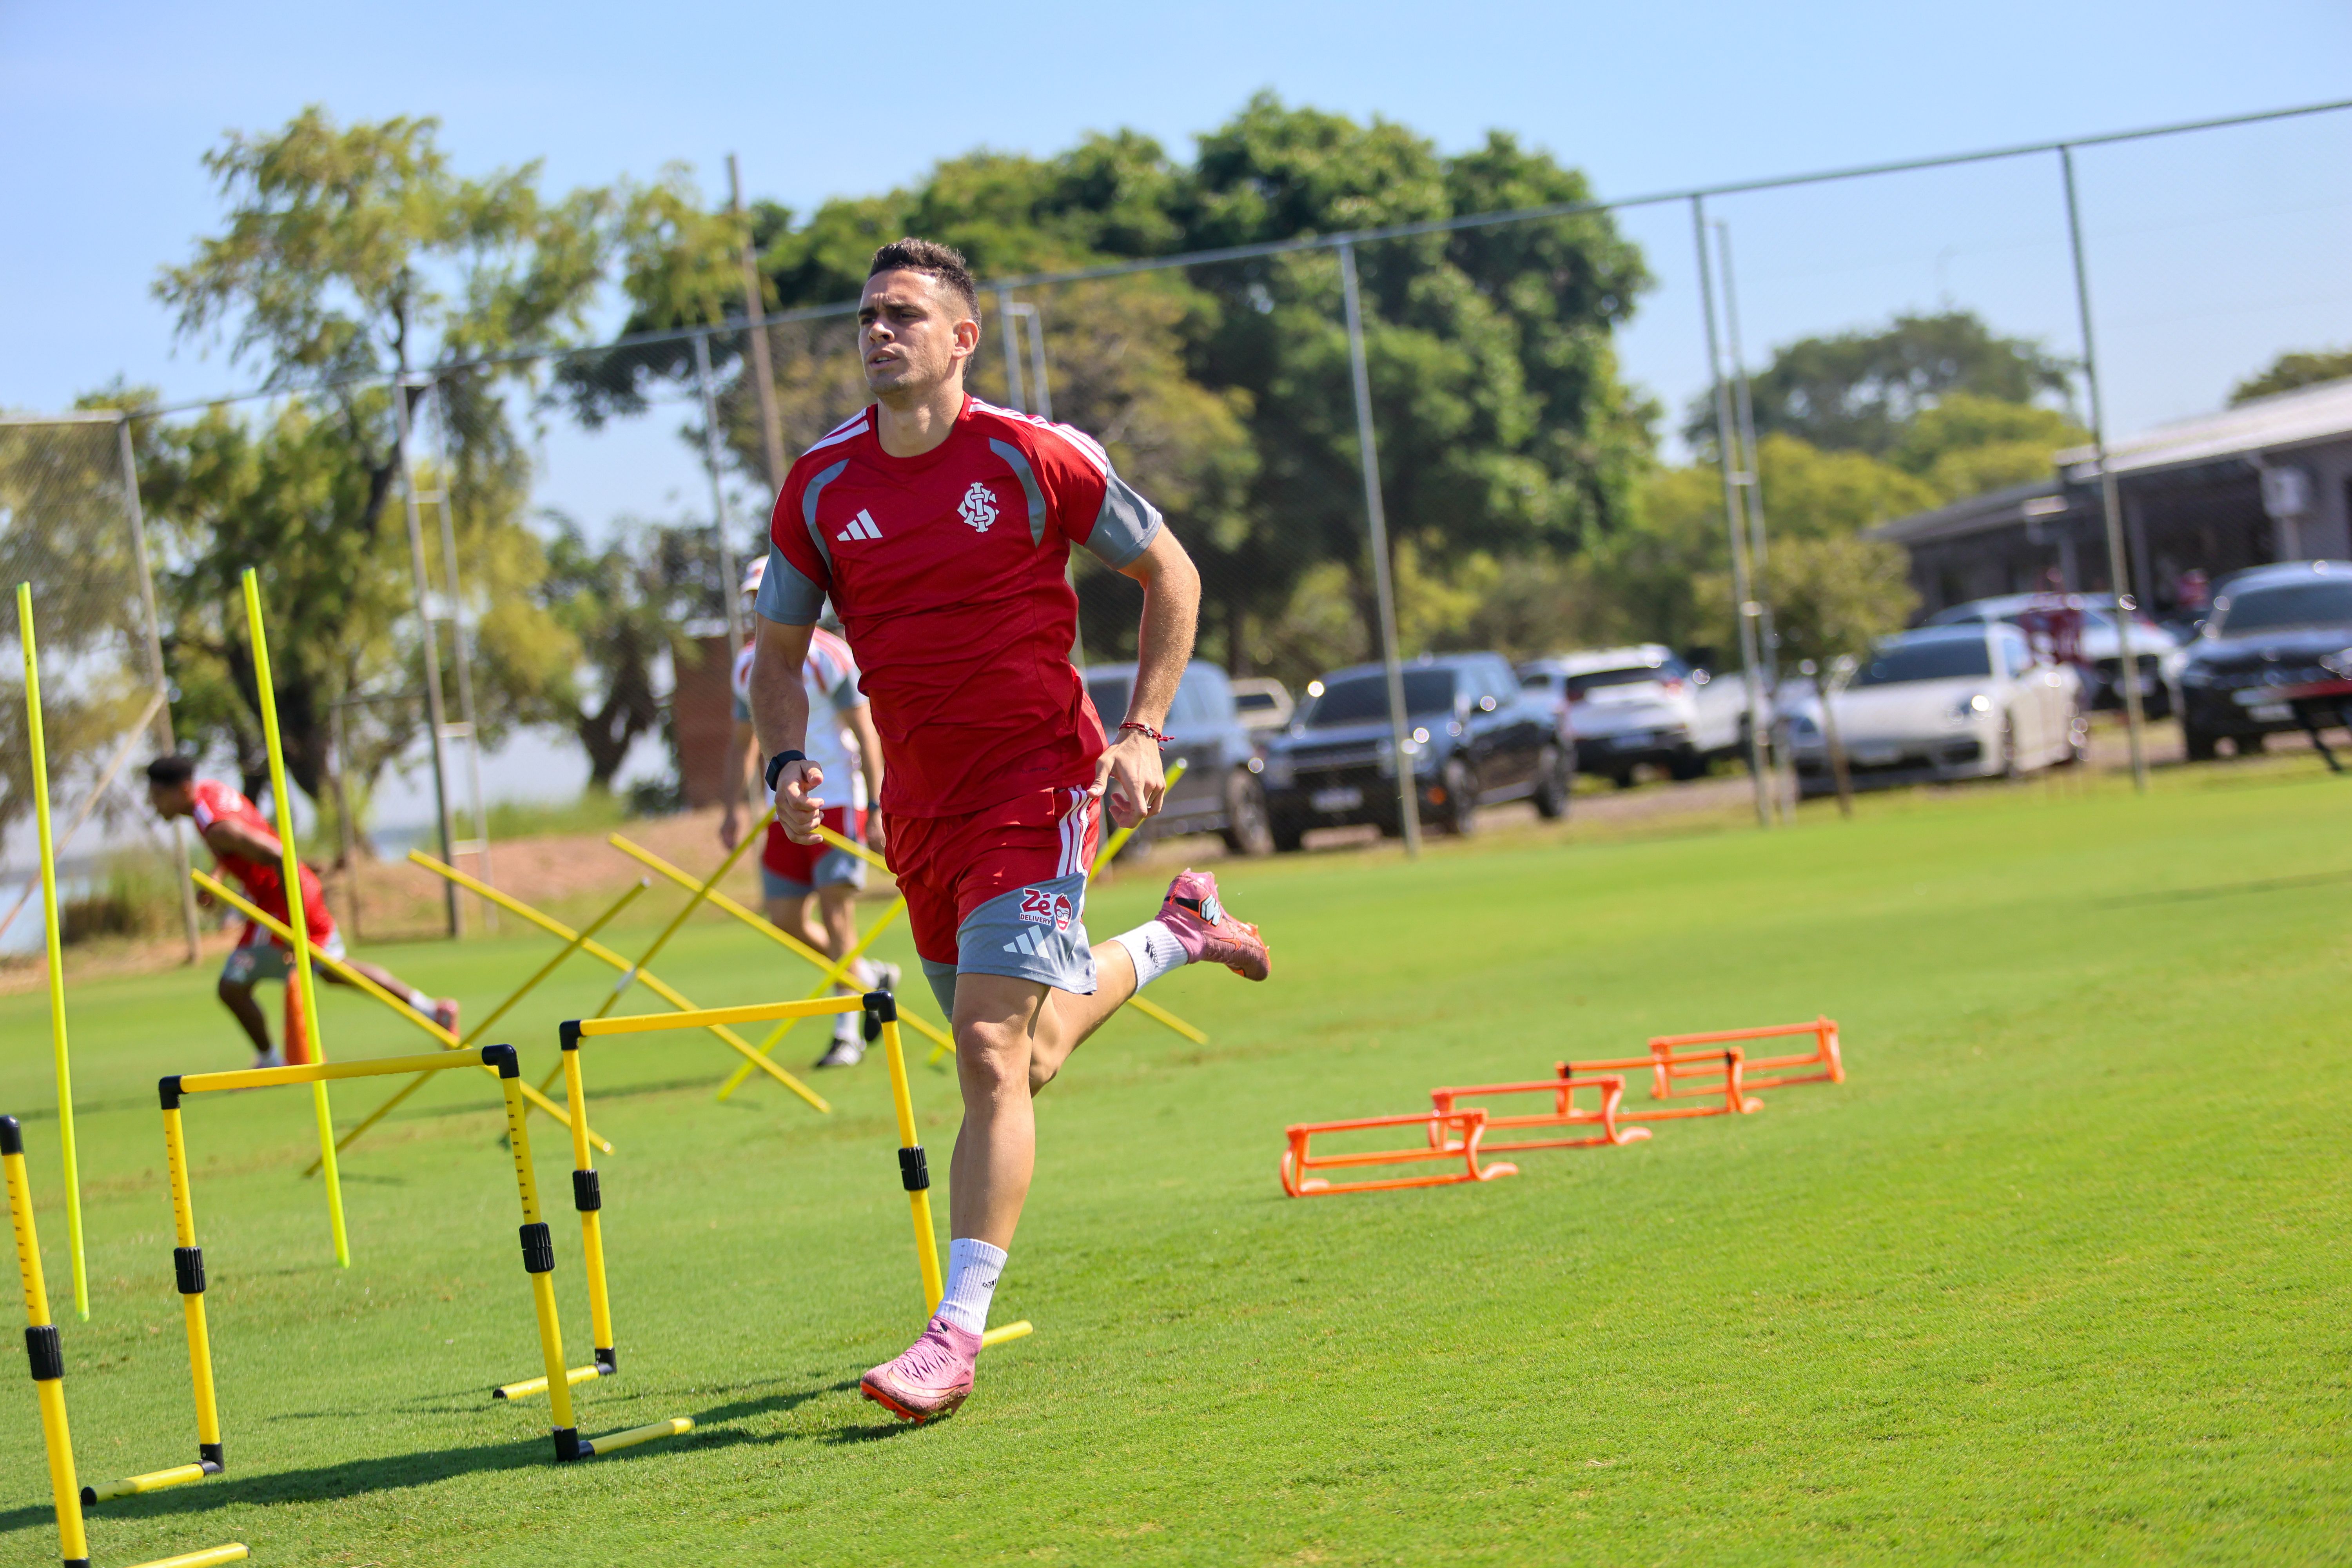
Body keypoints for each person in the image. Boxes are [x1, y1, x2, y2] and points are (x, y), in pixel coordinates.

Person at [749, 238, 1272, 1424]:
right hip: (918, 813)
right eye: (867, 316)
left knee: (986, 1050)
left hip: (1038, 784)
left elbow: (1171, 575)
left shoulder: (1035, 456)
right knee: (1025, 1058)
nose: (879, 332)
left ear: (960, 338)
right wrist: (787, 759)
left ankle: (952, 1335)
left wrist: (1139, 730)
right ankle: (1178, 932)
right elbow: (778, 657)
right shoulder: (819, 484)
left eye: (903, 315)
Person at [144, 754, 458, 1066]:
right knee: (335, 971)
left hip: (284, 902)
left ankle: (270, 1060)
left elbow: (276, 854)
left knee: (231, 987)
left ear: (184, 790)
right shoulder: (210, 794)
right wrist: (218, 875)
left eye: (158, 796)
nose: (155, 805)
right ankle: (431, 1010)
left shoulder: (216, 827)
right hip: (297, 893)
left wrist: (294, 925)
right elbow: (240, 843)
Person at [719, 560, 899, 1067]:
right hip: (786, 805)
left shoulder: (831, 655)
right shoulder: (746, 666)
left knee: (837, 916)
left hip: (839, 798)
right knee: (785, 920)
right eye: (754, 596)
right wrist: (733, 808)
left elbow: (866, 733)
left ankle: (849, 1031)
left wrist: (878, 806)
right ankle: (869, 978)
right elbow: (742, 745)